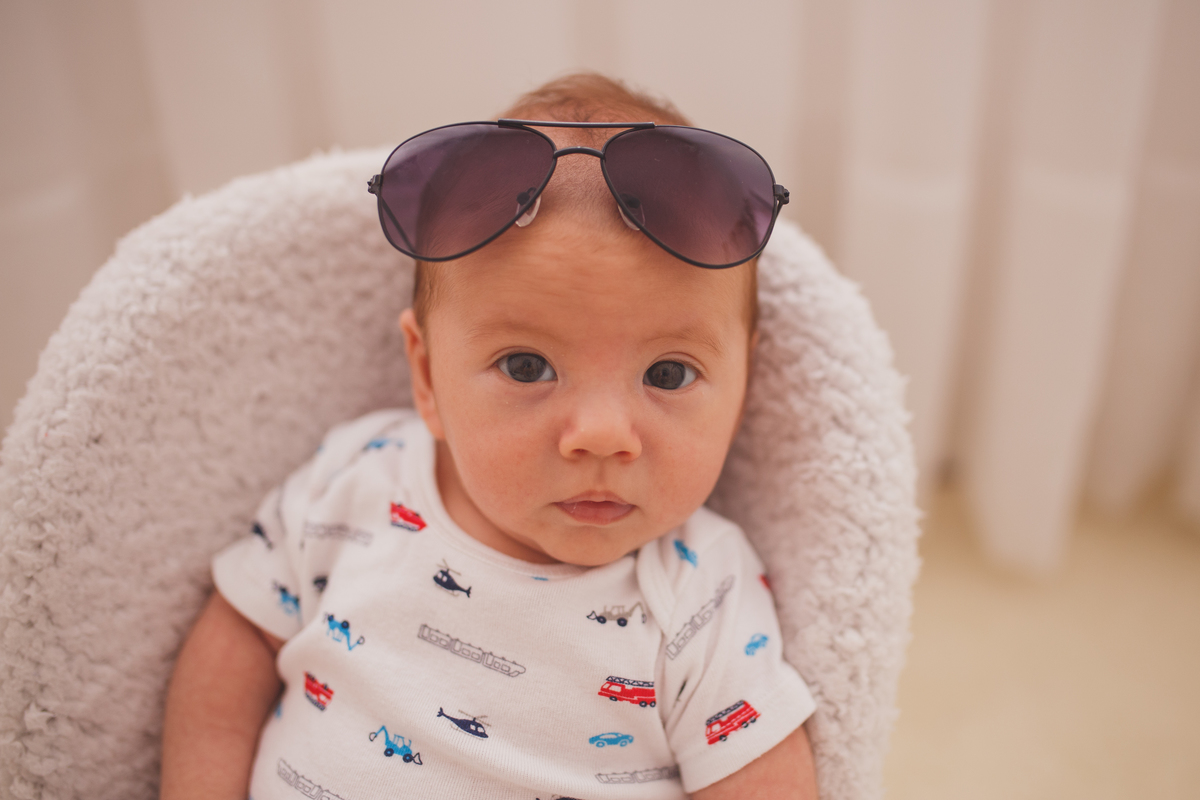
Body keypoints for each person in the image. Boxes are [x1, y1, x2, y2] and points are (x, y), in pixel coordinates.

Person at [160, 73, 818, 800]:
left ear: (744, 385)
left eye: (668, 373)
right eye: (527, 366)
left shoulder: (702, 588)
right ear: (428, 378)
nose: (601, 437)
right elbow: (240, 636)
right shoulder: (358, 478)